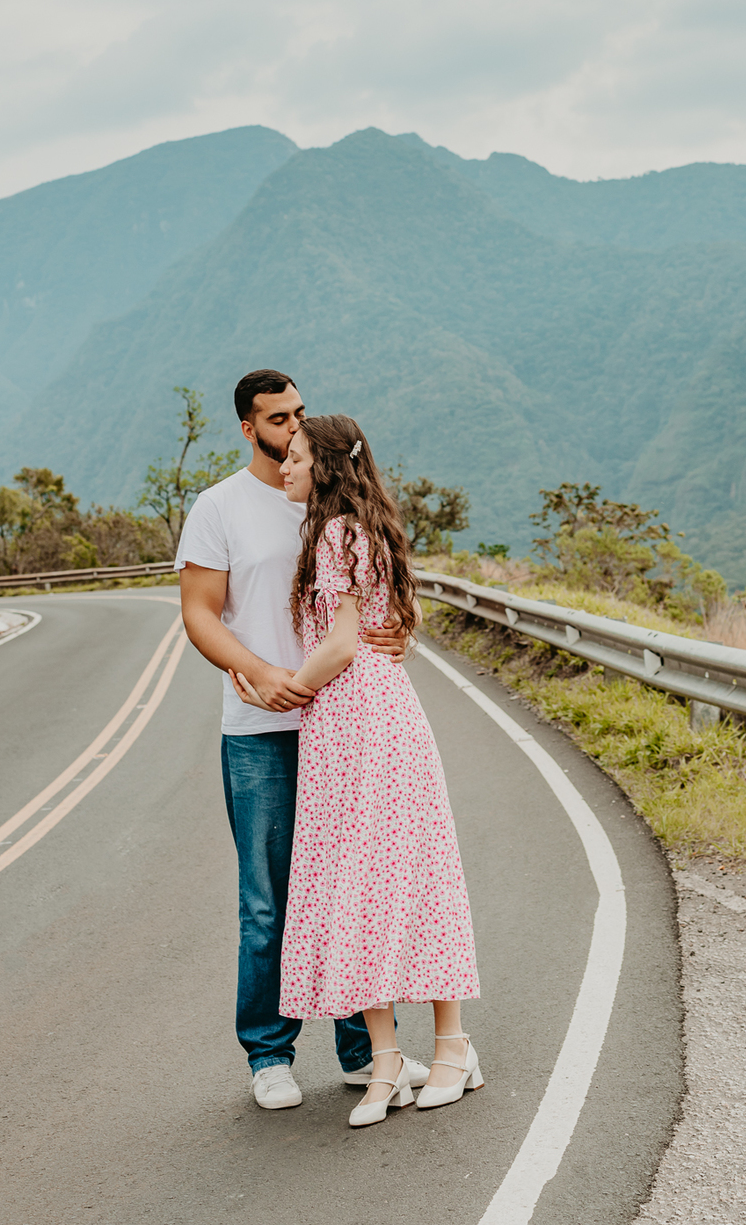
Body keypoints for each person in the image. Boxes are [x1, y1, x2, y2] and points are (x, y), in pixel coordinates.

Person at [177, 370, 427, 1112]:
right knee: (269, 902)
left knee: (352, 886)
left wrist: (396, 635)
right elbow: (199, 612)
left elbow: (372, 595)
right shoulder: (219, 508)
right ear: (247, 428)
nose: (293, 428)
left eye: (300, 414)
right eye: (277, 419)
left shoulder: (332, 502)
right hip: (262, 727)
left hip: (345, 727)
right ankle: (269, 1053)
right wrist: (260, 671)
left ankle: (364, 1051)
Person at [234, 414, 482, 1129]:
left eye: (298, 457)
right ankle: (397, 1061)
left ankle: (442, 1051)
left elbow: (343, 642)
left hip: (359, 718)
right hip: (351, 721)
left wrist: (281, 688)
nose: (285, 466)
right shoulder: (338, 527)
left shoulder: (338, 531)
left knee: (365, 879)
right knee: (371, 882)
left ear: (329, 467)